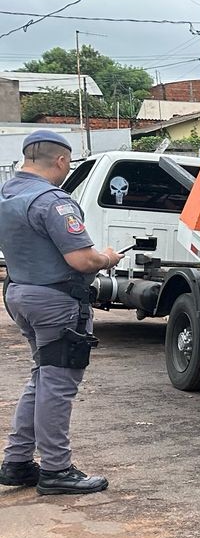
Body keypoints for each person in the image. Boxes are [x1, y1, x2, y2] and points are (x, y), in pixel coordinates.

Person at [0, 132, 122, 494]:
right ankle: (56, 469)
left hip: (21, 293)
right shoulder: (53, 201)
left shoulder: (7, 195)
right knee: (58, 384)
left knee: (42, 377)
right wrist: (108, 258)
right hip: (56, 301)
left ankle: (18, 461)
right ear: (61, 162)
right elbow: (82, 259)